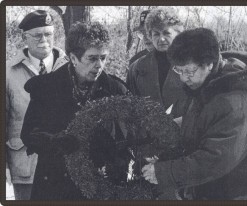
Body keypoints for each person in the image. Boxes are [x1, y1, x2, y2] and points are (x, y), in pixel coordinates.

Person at [142, 28, 247, 200]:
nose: (184, 78)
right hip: (235, 181)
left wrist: (164, 172)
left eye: (190, 71)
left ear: (210, 64)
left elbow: (215, 159)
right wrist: (169, 128)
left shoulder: (236, 100)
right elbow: (205, 121)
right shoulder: (209, 84)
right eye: (178, 70)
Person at [20, 22, 129, 200]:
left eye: (103, 57)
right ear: (73, 58)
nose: (99, 65)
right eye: (92, 58)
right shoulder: (46, 87)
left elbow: (125, 142)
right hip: (55, 184)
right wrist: (54, 141)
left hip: (99, 186)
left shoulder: (116, 90)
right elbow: (28, 134)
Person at [6, 10, 67, 200]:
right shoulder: (8, 73)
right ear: (25, 37)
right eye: (37, 35)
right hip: (25, 167)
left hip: (65, 166)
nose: (44, 40)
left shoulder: (69, 67)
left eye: (48, 34)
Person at [126, 8, 189, 118]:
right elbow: (130, 106)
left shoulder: (192, 64)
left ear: (178, 34)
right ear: (150, 36)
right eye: (156, 34)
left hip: (186, 131)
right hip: (147, 132)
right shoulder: (137, 68)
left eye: (166, 33)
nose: (161, 39)